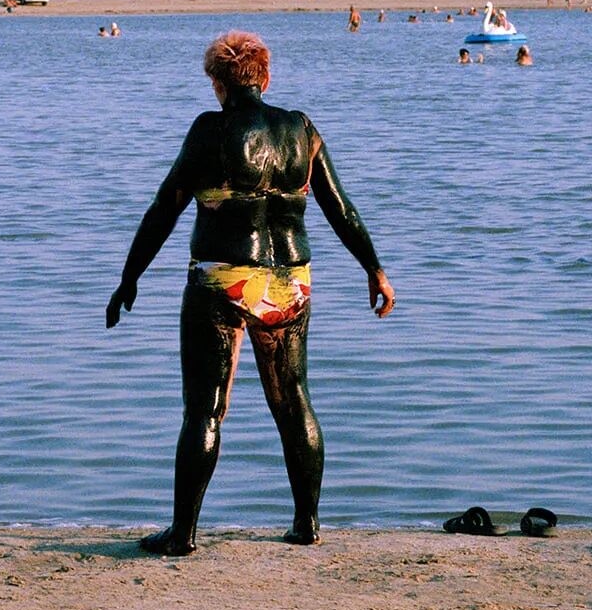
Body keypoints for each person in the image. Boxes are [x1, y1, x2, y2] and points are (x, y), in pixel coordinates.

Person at [106, 31, 394, 555]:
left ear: (217, 82)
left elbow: (163, 210)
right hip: (291, 281)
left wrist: (130, 278)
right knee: (295, 400)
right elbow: (340, 208)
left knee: (205, 409)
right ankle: (307, 524)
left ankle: (183, 534)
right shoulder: (300, 130)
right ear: (265, 77)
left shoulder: (208, 131)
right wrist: (374, 269)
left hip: (224, 279)